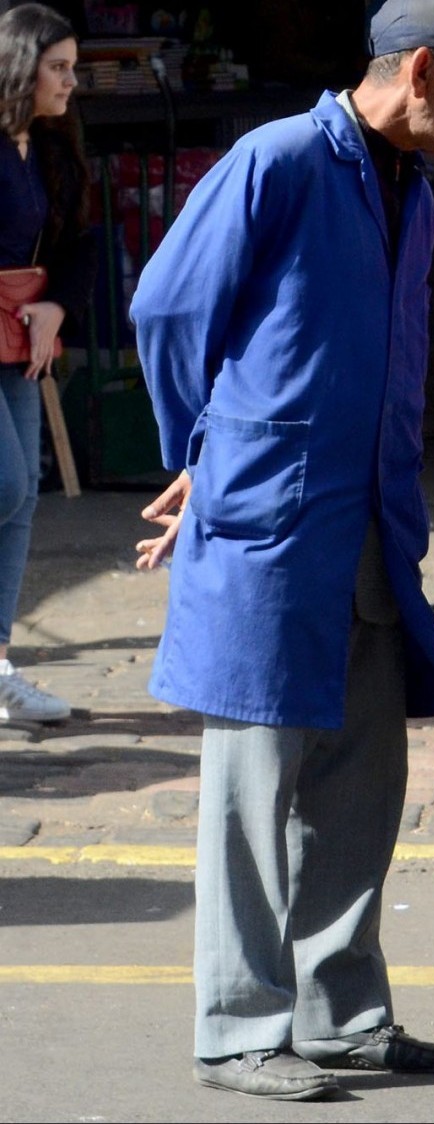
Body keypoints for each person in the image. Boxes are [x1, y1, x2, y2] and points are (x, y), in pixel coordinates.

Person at [127, 0, 434, 1102]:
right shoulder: (278, 159)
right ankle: (237, 1027)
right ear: (421, 69)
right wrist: (201, 451)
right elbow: (170, 308)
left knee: (363, 776)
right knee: (254, 786)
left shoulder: (413, 187)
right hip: (270, 517)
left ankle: (341, 1012)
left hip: (369, 519)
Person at [0, 3, 92, 723]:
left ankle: (0, 666)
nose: (71, 81)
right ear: (20, 67)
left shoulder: (56, 145)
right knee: (3, 483)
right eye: (58, 68)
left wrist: (57, 305)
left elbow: (81, 244)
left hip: (23, 331)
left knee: (23, 493)